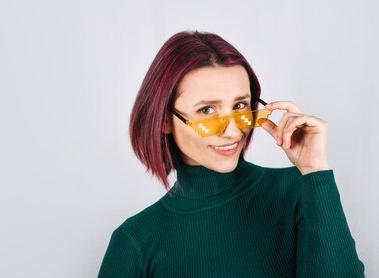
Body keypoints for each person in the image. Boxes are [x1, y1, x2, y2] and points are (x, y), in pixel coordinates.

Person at [98, 31, 365, 277]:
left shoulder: (298, 191)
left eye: (240, 105)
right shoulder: (135, 241)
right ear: (164, 120)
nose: (232, 129)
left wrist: (315, 170)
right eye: (207, 111)